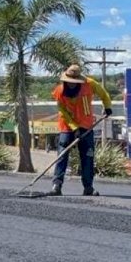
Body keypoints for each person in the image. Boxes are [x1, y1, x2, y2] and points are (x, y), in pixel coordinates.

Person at [49, 64, 112, 196]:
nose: (71, 85)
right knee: (62, 154)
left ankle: (88, 187)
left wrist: (107, 107)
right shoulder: (59, 91)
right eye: (69, 82)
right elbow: (62, 111)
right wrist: (74, 127)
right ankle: (57, 185)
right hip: (67, 126)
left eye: (74, 83)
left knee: (87, 156)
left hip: (86, 125)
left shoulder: (90, 84)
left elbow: (104, 95)